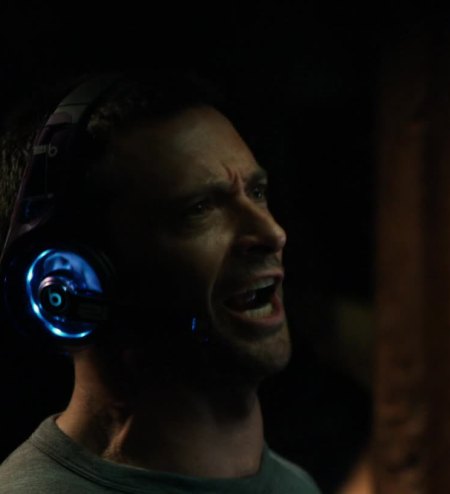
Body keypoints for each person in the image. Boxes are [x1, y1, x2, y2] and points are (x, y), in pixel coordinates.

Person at [0, 72, 321, 493]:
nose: (272, 233)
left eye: (256, 193)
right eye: (199, 208)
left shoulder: (296, 485)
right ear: (73, 278)